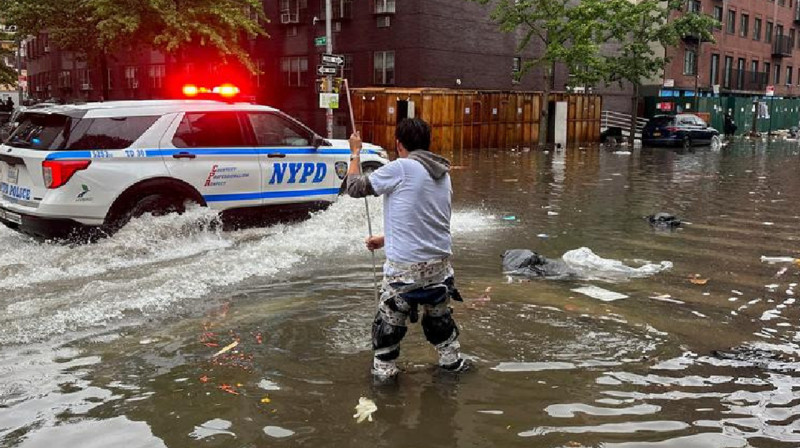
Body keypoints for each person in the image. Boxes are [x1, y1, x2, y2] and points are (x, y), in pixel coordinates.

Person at [345, 118, 467, 379]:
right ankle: (451, 365)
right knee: (441, 327)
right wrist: (385, 238)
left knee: (387, 332)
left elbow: (354, 188)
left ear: (398, 144)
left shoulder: (401, 167)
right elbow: (426, 220)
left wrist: (355, 152)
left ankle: (386, 382)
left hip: (405, 273)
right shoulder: (442, 173)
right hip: (440, 271)